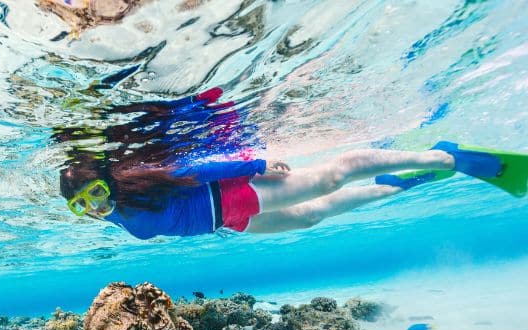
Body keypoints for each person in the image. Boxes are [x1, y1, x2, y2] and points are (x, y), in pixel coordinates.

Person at [58, 88, 526, 240]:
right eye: (83, 206)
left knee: (332, 175)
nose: (95, 207)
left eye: (95, 194)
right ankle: (406, 181)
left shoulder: (135, 180)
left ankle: (445, 155)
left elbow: (193, 171)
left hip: (232, 193)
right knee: (313, 215)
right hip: (229, 222)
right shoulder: (119, 217)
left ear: (106, 180)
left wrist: (256, 163)